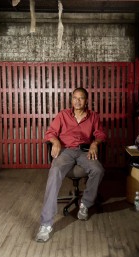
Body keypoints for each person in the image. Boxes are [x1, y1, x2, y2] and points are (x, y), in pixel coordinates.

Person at [35, 87, 107, 243]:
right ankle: (46, 224)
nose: (77, 101)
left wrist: (95, 143)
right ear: (71, 100)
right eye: (75, 98)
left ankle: (85, 204)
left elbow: (101, 134)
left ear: (86, 101)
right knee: (54, 171)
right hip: (66, 151)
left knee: (98, 170)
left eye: (81, 98)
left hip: (84, 152)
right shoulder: (63, 115)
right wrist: (54, 142)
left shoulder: (93, 116)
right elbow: (50, 133)